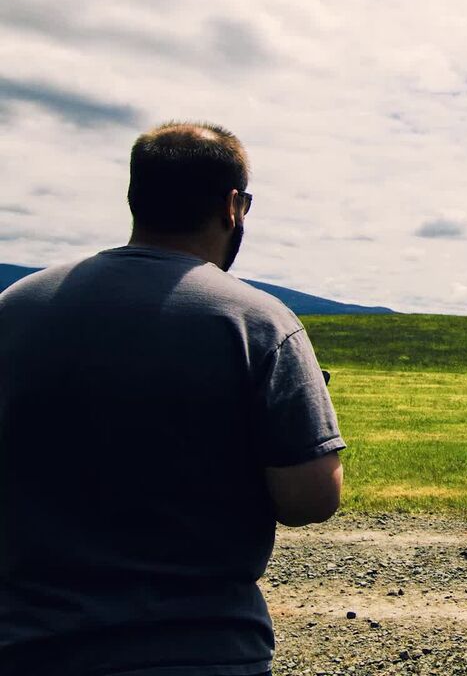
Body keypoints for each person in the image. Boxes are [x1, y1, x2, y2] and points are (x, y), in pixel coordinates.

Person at [0, 122, 346, 676]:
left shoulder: (16, 305)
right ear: (234, 206)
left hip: (28, 644)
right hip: (203, 648)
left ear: (136, 198)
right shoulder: (258, 322)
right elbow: (310, 500)